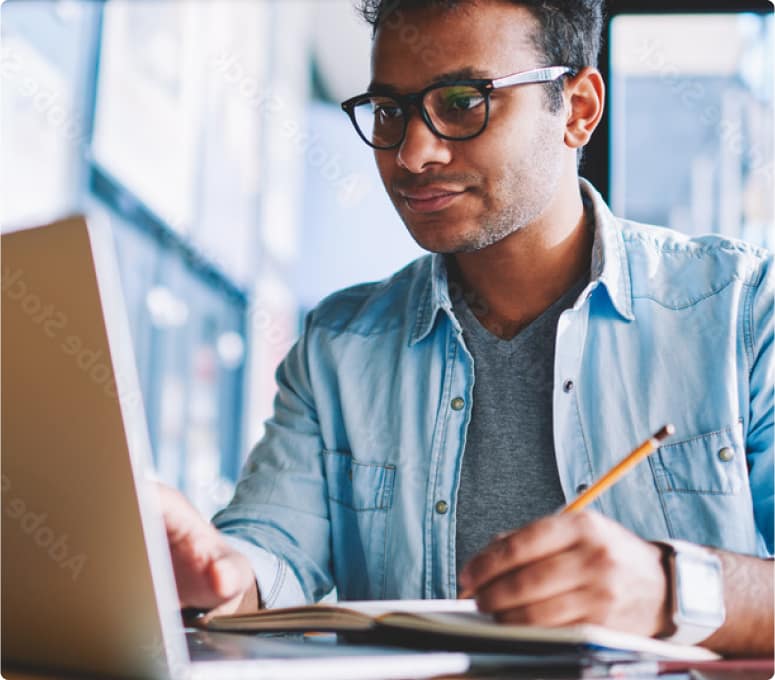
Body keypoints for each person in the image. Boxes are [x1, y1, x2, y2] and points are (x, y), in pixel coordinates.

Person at [161, 0, 774, 657]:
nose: (412, 154)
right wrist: (215, 569)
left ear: (577, 109)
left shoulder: (742, 312)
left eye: (461, 101)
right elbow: (272, 550)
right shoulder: (340, 346)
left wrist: (667, 590)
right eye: (390, 111)